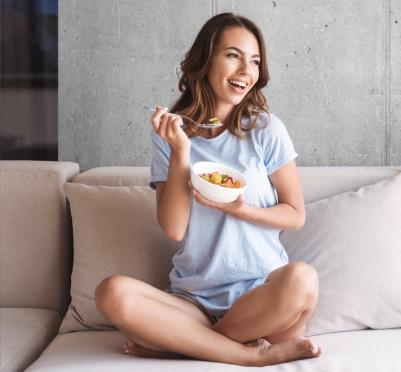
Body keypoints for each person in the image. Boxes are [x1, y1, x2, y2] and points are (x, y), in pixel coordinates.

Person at [94, 13, 322, 367]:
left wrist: (239, 209)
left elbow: (295, 214)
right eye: (233, 55)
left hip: (261, 297)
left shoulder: (265, 129)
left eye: (255, 61)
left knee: (303, 279)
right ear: (204, 60)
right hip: (193, 303)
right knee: (111, 292)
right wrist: (181, 152)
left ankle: (182, 346)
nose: (247, 70)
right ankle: (248, 356)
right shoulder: (171, 136)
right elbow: (173, 229)